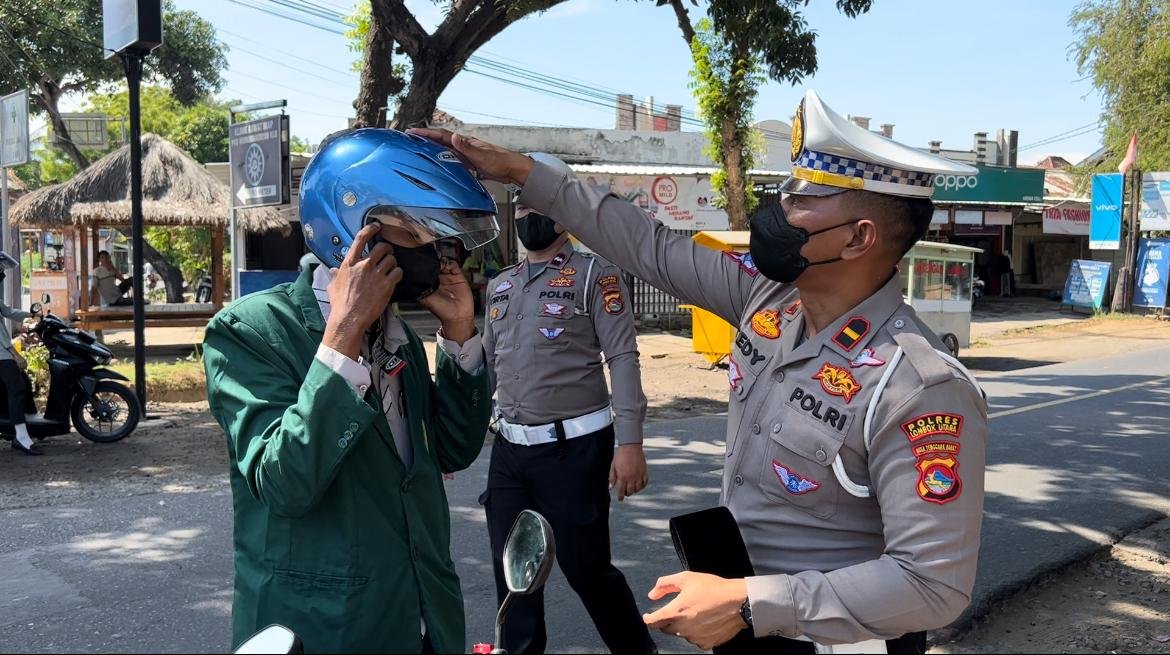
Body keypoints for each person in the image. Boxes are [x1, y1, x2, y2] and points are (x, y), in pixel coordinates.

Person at [411, 89, 988, 654]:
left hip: (831, 639)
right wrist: (521, 170)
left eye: (801, 200)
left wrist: (748, 602)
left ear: (860, 237)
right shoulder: (768, 301)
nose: (778, 211)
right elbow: (646, 245)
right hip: (742, 622)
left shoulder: (919, 384)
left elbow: (932, 586)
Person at [202, 128, 499, 653]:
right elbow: (285, 481)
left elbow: (449, 451)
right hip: (322, 629)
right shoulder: (249, 330)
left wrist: (459, 337)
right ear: (356, 230)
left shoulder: (399, 335)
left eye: (440, 237)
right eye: (417, 233)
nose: (437, 251)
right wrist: (343, 335)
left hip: (424, 617)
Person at [481, 195, 655, 654]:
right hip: (510, 452)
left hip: (573, 451)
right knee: (513, 572)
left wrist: (630, 442)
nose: (528, 218)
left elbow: (622, 356)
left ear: (563, 215)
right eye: (520, 210)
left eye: (538, 208)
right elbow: (488, 368)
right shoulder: (500, 285)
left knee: (587, 569)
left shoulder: (595, 276)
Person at [0, 253, 38, 456]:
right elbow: (1, 335)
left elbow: (7, 311)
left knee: (22, 382)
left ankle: (24, 427)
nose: (2, 274)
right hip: (1, 354)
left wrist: (33, 314)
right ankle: (21, 438)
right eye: (0, 270)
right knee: (16, 387)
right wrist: (15, 355)